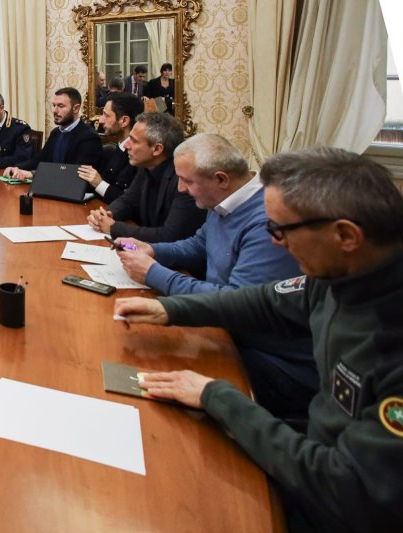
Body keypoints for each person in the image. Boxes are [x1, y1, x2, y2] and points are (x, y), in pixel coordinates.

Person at [114, 147, 403, 532]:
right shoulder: (340, 273)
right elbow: (265, 300)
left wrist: (219, 397)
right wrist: (171, 309)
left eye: (281, 230)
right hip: (311, 451)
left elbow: (349, 490)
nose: (276, 243)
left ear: (345, 236)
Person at [114, 133, 315, 419]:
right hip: (222, 331)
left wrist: (154, 274)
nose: (181, 189)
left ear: (221, 179)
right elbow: (198, 245)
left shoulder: (267, 222)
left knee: (145, 381)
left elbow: (238, 303)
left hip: (268, 361)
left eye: (187, 181)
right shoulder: (223, 201)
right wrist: (153, 250)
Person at [87, 112, 205, 242]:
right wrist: (103, 215)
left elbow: (169, 235)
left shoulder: (184, 180)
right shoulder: (146, 166)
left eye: (134, 141)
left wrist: (114, 228)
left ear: (157, 149)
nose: (126, 146)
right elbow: (127, 201)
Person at [3, 87, 102, 181]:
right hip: (52, 186)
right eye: (54, 105)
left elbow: (76, 174)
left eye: (61, 106)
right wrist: (16, 168)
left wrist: (33, 174)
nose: (54, 110)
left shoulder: (89, 137)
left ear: (76, 108)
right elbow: (40, 160)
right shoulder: (56, 132)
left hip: (72, 190)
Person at [77, 93, 142, 203]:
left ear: (124, 121)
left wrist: (99, 183)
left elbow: (130, 201)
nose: (101, 120)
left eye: (106, 115)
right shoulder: (116, 149)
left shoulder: (139, 157)